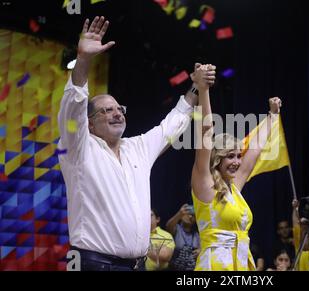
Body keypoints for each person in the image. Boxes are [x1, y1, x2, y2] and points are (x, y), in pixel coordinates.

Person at [58, 16, 215, 271]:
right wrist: (84, 60)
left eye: (119, 108)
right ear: (89, 124)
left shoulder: (137, 148)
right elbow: (73, 105)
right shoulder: (79, 148)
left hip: (138, 265)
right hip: (93, 264)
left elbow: (172, 124)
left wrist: (196, 88)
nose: (117, 113)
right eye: (106, 111)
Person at [190, 64, 282, 270]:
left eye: (238, 156)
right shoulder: (205, 184)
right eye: (230, 156)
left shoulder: (234, 188)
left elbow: (256, 149)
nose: (237, 162)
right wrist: (203, 90)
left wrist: (272, 116)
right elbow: (205, 132)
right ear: (217, 159)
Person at [166, 204, 200, 271]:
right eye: (187, 214)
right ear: (181, 216)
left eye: (193, 215)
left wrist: (200, 251)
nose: (190, 216)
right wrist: (179, 214)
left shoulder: (197, 235)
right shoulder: (177, 229)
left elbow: (203, 248)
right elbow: (168, 226)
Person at [291, 199, 309, 271]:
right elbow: (295, 224)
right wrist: (295, 208)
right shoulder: (299, 246)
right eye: (303, 228)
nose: (305, 230)